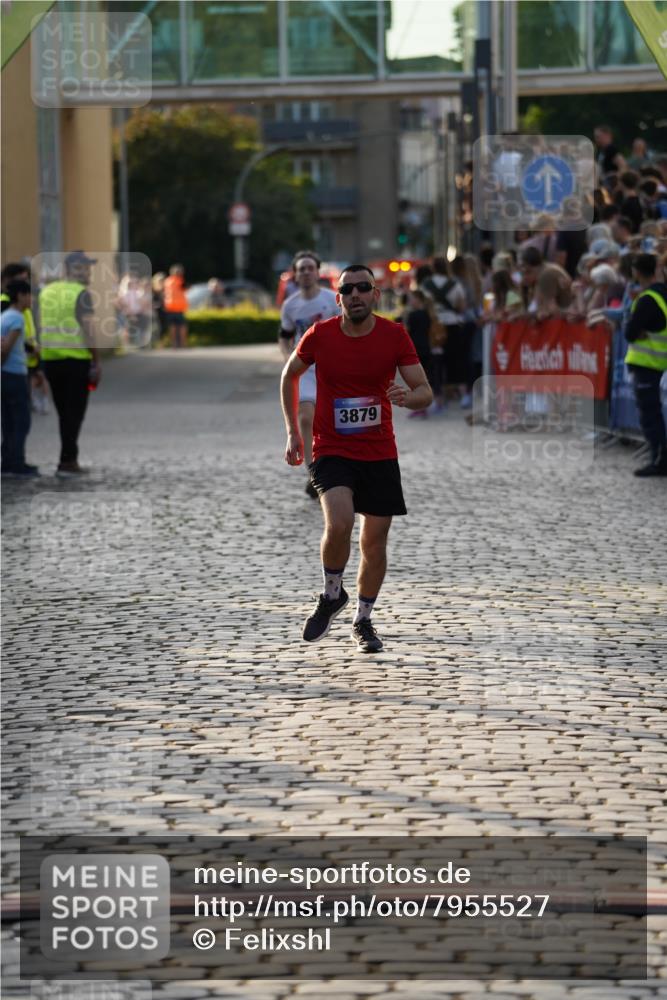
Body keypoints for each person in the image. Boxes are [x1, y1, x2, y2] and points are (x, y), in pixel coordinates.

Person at [280, 264, 432, 653]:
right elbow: (289, 375)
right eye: (347, 290)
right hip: (331, 448)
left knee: (374, 542)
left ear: (376, 294)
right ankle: (332, 593)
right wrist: (293, 431)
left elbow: (424, 392)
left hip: (379, 452)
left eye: (363, 288)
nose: (355, 295)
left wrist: (406, 397)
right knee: (340, 522)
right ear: (338, 298)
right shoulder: (321, 335)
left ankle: (363, 620)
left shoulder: (394, 336)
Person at [278, 250, 339, 499]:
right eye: (301, 269)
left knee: (334, 420)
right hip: (304, 367)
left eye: (309, 268)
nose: (305, 272)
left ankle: (339, 466)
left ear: (317, 272)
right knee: (305, 418)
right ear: (295, 274)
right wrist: (288, 359)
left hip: (332, 367)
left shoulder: (332, 300)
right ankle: (314, 475)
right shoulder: (290, 305)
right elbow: (284, 336)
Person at [40, 250, 101, 477]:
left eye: (87, 268)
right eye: (80, 268)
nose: (86, 272)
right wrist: (96, 361)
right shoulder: (81, 293)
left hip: (51, 360)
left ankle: (68, 458)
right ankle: (67, 462)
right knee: (74, 413)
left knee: (64, 412)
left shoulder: (47, 292)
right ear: (68, 270)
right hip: (75, 360)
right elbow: (88, 329)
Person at [623, 253, 667, 476]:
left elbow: (630, 332)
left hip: (647, 363)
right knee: (654, 413)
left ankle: (659, 460)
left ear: (636, 272)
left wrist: (635, 329)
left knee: (650, 415)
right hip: (659, 362)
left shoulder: (648, 299)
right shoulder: (662, 295)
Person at [1, 279, 39, 477]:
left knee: (7, 421)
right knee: (21, 421)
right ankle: (17, 463)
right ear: (20, 296)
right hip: (14, 375)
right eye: (28, 295)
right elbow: (6, 348)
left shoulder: (4, 316)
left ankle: (7, 462)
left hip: (5, 376)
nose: (31, 299)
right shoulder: (17, 318)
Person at [163, 264, 188, 348]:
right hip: (176, 308)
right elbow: (184, 289)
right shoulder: (178, 281)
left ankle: (176, 344)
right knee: (179, 327)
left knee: (175, 327)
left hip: (173, 307)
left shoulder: (168, 281)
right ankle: (180, 344)